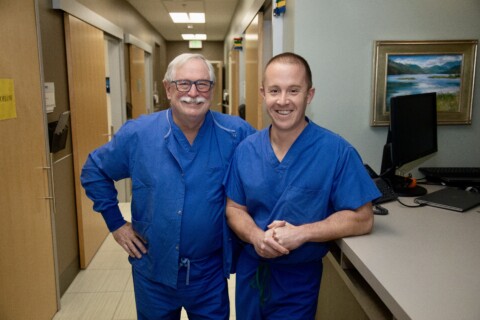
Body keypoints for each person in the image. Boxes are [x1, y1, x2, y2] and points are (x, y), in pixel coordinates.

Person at [81, 53, 255, 320]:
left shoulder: (236, 133)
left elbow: (265, 171)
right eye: (183, 83)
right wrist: (116, 223)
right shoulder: (139, 134)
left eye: (202, 84)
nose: (193, 93)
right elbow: (94, 170)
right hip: (152, 271)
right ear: (168, 88)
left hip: (208, 272)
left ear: (212, 89)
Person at [223, 52, 381, 319]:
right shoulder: (246, 150)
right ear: (263, 94)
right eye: (275, 90)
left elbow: (363, 218)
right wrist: (255, 237)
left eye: (293, 90)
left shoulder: (336, 151)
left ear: (309, 95)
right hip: (252, 274)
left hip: (299, 279)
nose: (283, 100)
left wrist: (302, 233)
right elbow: (234, 208)